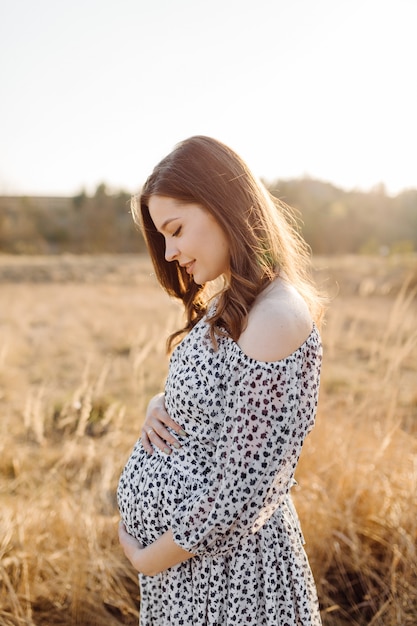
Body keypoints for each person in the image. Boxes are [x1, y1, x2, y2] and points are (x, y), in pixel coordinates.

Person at [117, 136, 325, 625]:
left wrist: (150, 559)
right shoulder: (236, 302)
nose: (168, 252)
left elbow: (242, 491)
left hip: (233, 586)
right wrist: (160, 404)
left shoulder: (275, 315)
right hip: (195, 578)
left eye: (176, 230)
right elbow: (218, 407)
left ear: (221, 204)